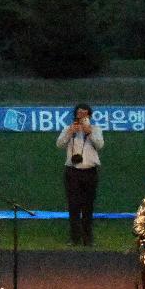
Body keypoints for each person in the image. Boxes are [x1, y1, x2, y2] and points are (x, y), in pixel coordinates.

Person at [56, 104, 104, 246]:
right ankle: (74, 238)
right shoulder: (69, 129)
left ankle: (88, 238)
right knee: (73, 206)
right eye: (79, 113)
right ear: (75, 115)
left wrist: (89, 132)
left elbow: (100, 145)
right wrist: (70, 132)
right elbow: (59, 144)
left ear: (89, 116)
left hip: (89, 172)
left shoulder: (95, 129)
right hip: (72, 172)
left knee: (88, 206)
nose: (82, 116)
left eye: (85, 114)